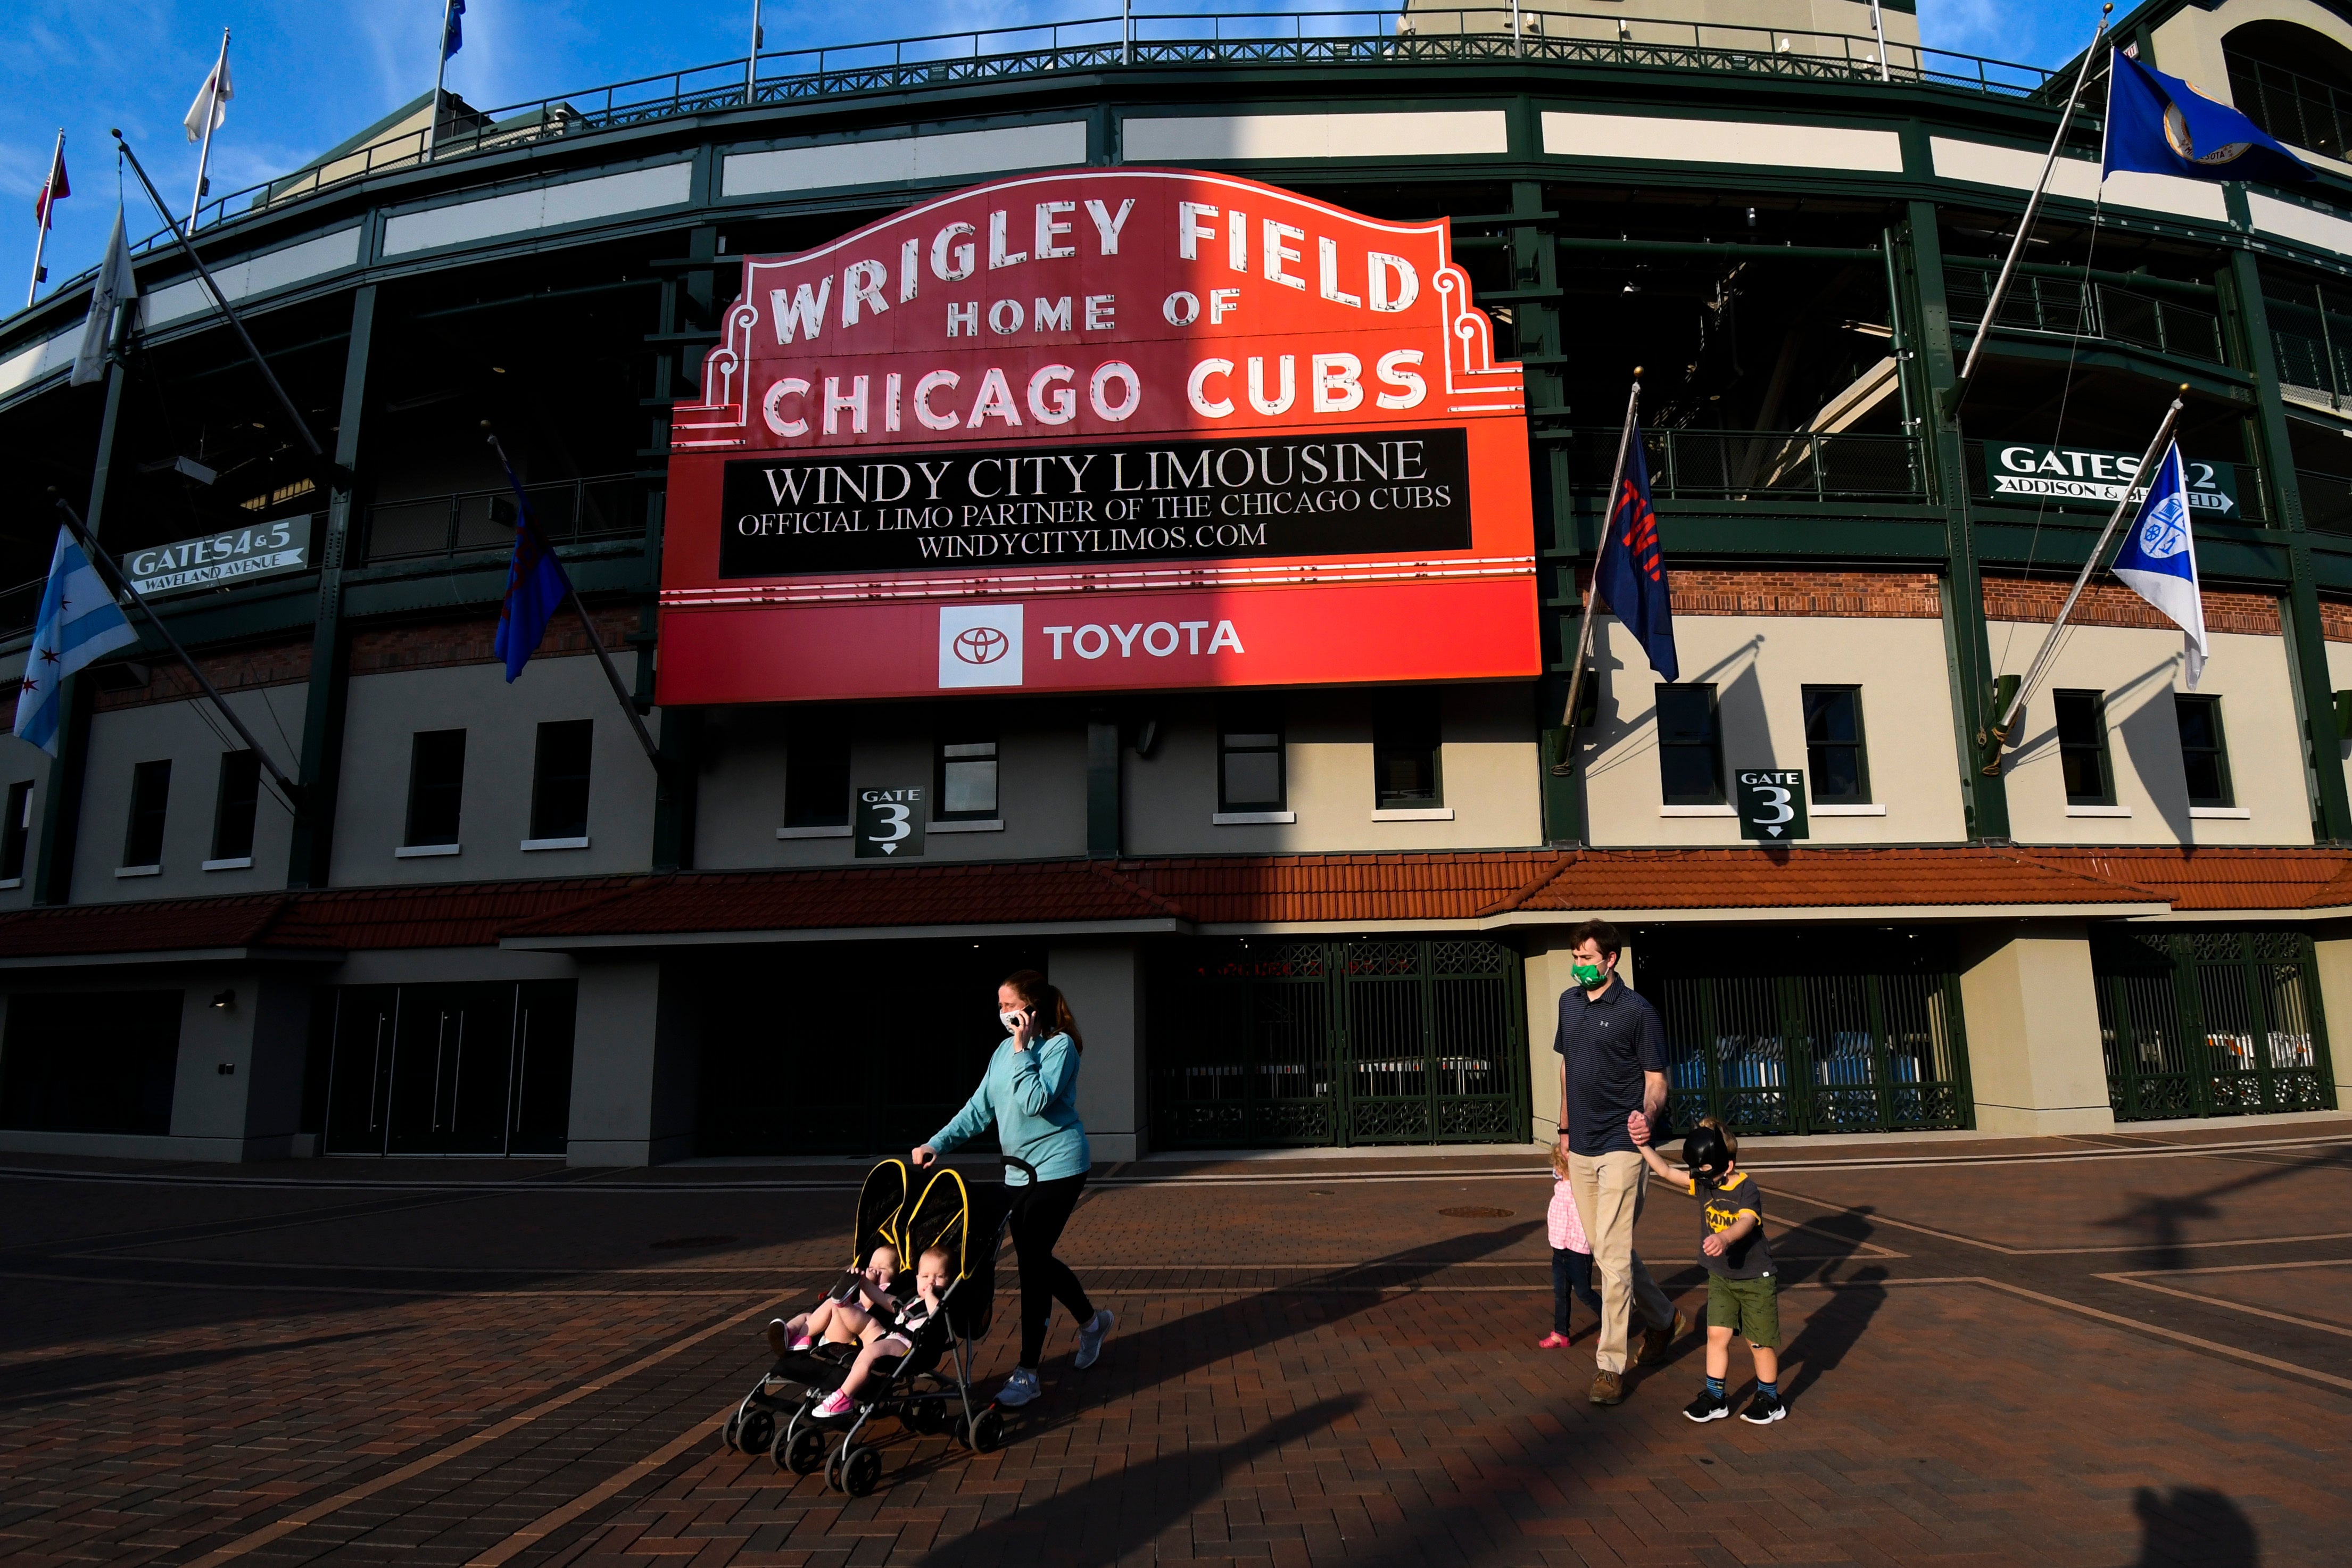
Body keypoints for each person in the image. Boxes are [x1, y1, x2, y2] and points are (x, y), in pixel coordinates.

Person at [913, 969, 1114, 1408]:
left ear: (1032, 1009)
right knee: (1035, 1258)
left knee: (1032, 1262)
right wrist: (936, 1143)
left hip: (1060, 1166)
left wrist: (1024, 1048)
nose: (1002, 1013)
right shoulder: (1003, 1053)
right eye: (1000, 1006)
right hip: (1018, 1174)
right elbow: (978, 1108)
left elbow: (1034, 1101)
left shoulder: (1059, 1047)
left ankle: (1027, 1371)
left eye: (1009, 1005)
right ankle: (1092, 1322)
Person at [1552, 918, 1685, 1405]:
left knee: (1609, 1255)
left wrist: (1647, 1114)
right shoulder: (1569, 1003)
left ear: (1611, 960)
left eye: (1587, 957)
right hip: (1582, 1144)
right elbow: (1567, 1067)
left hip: (1624, 1146)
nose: (1579, 965)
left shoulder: (1638, 1012)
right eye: (1576, 956)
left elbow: (1656, 1080)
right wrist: (1564, 1131)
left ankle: (1609, 1365)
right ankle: (1666, 1318)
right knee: (1608, 1248)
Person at [1628, 1110, 1785, 1425]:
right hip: (1722, 1277)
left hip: (1756, 1279)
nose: (1702, 1181)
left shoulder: (1746, 1188)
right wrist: (1643, 1145)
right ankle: (1716, 1398)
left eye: (1706, 1173)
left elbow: (1745, 1222)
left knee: (1759, 1342)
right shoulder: (1704, 1180)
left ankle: (1769, 1398)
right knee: (1716, 1336)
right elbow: (1667, 1172)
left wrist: (1725, 1238)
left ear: (1728, 1165)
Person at [808, 1245, 954, 1419]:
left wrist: (930, 1295)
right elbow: (883, 1299)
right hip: (890, 1336)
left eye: (939, 1277)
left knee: (869, 1352)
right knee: (869, 1323)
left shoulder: (943, 1304)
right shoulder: (912, 1299)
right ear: (917, 1278)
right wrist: (864, 1283)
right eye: (925, 1276)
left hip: (907, 1346)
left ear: (950, 1281)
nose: (931, 1281)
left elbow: (936, 1316)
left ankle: (844, 1398)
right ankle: (842, 1306)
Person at [767, 1245, 900, 1357]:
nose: (874, 1270)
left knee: (834, 1303)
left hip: (851, 1337)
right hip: (837, 1326)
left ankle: (799, 1339)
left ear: (895, 1275)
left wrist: (867, 1283)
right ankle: (788, 1333)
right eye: (871, 1266)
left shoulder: (886, 1290)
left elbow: (868, 1304)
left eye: (882, 1269)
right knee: (807, 1317)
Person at [1540, 1139, 1603, 1348]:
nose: (1555, 1169)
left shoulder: (1582, 1187)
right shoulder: (1560, 1183)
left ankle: (1613, 1326)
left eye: (1557, 1165)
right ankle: (1561, 1333)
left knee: (1584, 1292)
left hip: (1579, 1249)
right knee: (1561, 1292)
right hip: (1560, 1247)